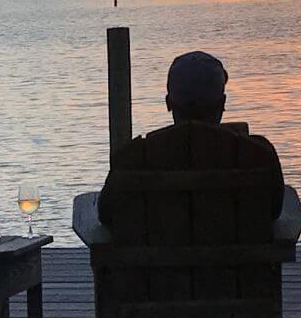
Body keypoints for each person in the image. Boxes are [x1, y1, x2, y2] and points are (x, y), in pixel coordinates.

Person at [97, 50, 285, 225]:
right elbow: (275, 210)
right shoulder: (259, 153)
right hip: (241, 261)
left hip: (155, 260)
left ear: (168, 103)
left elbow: (106, 215)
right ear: (222, 103)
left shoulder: (134, 157)